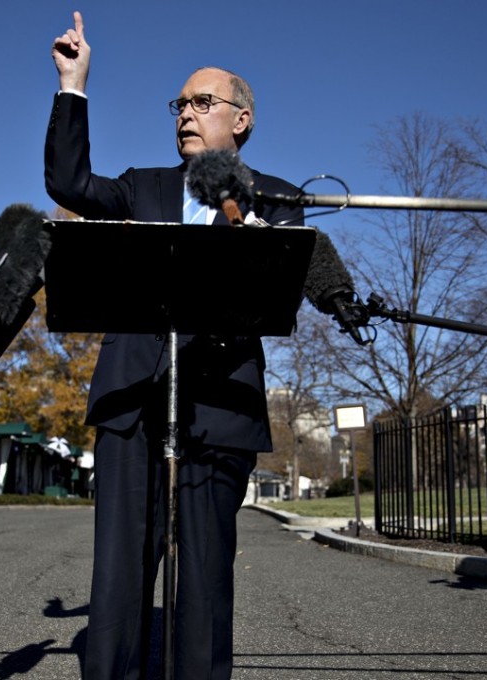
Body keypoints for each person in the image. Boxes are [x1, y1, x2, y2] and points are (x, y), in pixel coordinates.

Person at [46, 11, 304, 680]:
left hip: (219, 406)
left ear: (240, 120)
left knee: (206, 576)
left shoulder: (276, 198)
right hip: (134, 402)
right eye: (180, 104)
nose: (185, 114)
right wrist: (74, 84)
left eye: (202, 102)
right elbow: (70, 187)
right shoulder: (142, 187)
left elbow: (284, 292)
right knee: (120, 574)